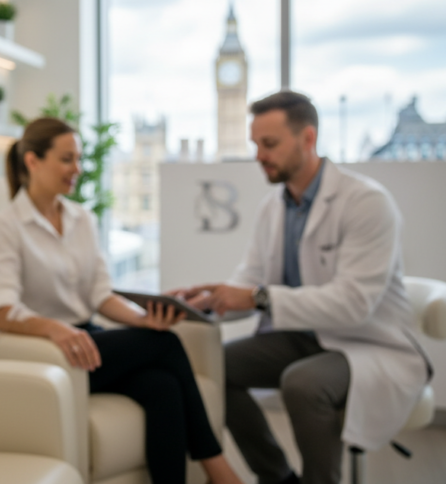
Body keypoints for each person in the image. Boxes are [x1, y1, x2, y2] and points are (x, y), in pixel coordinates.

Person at [171, 91, 430, 484]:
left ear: (308, 138)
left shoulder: (367, 203)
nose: (259, 155)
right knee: (214, 365)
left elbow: (353, 305)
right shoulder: (273, 207)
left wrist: (256, 297)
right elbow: (250, 279)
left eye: (269, 144)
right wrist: (208, 301)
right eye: (256, 144)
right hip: (301, 337)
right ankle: (277, 477)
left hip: (365, 343)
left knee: (303, 384)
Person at [0, 117, 242, 484]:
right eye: (67, 159)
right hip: (51, 351)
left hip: (89, 341)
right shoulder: (7, 224)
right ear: (32, 161)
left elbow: (100, 295)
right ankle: (219, 469)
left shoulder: (81, 219)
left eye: (78, 159)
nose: (77, 169)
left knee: (163, 387)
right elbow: (3, 311)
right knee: (166, 344)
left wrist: (142, 318)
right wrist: (54, 329)